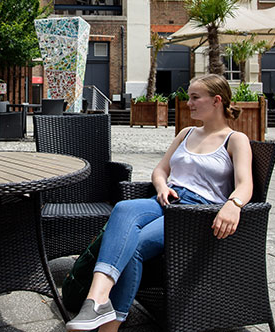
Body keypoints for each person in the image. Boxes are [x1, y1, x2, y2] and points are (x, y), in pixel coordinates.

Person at [65, 74, 253, 331]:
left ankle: (109, 326)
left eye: (195, 97)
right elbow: (160, 170)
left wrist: (234, 204)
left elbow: (245, 183)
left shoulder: (235, 139)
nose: (188, 103)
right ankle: (97, 300)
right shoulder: (187, 133)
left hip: (196, 212)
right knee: (123, 208)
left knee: (136, 246)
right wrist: (162, 186)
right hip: (167, 198)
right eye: (189, 97)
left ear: (217, 100)